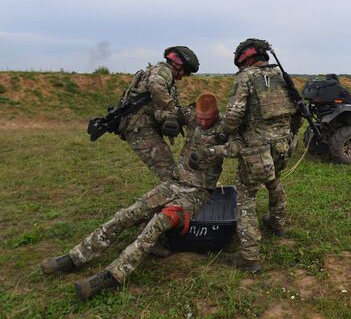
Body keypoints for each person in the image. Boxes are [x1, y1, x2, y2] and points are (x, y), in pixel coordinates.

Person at [40, 93, 239, 300]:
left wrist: (212, 151)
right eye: (200, 117)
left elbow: (239, 146)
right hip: (174, 183)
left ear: (217, 113)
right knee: (128, 214)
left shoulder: (225, 127)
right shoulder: (191, 116)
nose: (203, 122)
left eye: (209, 118)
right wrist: (170, 119)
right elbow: (170, 111)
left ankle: (112, 275)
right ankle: (76, 256)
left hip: (198, 193)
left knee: (156, 224)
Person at [214, 38, 300, 272]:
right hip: (282, 145)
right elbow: (297, 110)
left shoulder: (246, 77)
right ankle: (277, 223)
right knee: (274, 181)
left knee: (245, 196)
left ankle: (249, 256)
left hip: (256, 149)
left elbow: (234, 115)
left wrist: (222, 134)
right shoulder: (281, 76)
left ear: (244, 56)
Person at [118, 46, 200, 181]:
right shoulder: (162, 71)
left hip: (144, 126)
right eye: (186, 71)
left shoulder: (167, 77)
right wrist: (172, 112)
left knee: (170, 170)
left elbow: (156, 106)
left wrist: (170, 116)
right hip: (140, 128)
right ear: (178, 64)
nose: (185, 76)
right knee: (168, 173)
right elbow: (156, 86)